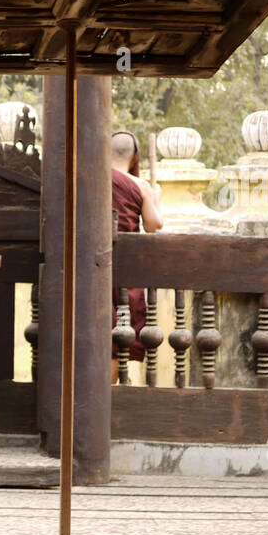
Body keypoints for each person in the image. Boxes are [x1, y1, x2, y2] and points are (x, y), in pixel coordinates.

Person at [111, 131, 163, 381]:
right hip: (125, 271)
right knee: (120, 330)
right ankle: (111, 387)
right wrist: (156, 199)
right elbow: (153, 225)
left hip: (93, 267)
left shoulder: (93, 179)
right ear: (135, 158)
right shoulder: (140, 186)